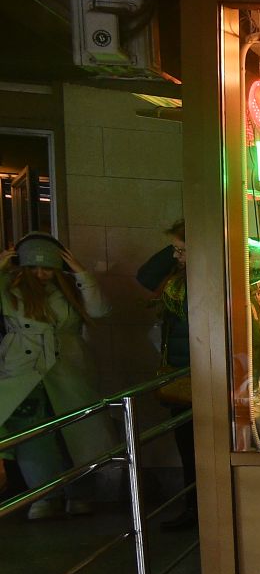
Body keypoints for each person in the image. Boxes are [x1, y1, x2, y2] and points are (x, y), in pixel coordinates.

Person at [0, 233, 113, 519]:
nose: (41, 274)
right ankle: (44, 496)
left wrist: (82, 274)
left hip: (68, 369)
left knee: (77, 432)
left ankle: (80, 493)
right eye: (34, 268)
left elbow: (101, 311)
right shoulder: (9, 287)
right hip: (25, 373)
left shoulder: (69, 289)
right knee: (31, 437)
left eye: (48, 267)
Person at [135, 220, 195, 521]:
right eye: (173, 250)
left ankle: (194, 508)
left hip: (190, 374)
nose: (176, 256)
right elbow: (145, 276)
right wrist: (180, 243)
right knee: (188, 445)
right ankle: (193, 507)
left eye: (181, 250)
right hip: (183, 372)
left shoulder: (195, 281)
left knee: (191, 446)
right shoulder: (182, 276)